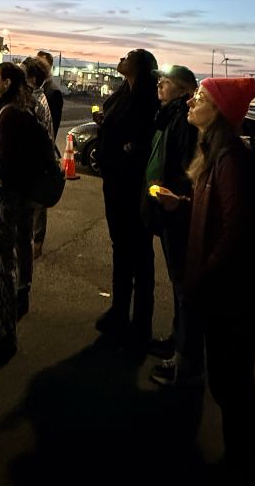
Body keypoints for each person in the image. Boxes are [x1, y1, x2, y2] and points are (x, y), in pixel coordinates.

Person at [174, 77, 255, 482]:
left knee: (233, 384)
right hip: (223, 291)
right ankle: (243, 458)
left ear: (217, 111)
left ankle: (244, 464)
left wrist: (203, 276)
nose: (190, 102)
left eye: (199, 98)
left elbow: (235, 228)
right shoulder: (214, 153)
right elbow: (220, 211)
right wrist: (183, 202)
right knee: (227, 379)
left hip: (232, 295)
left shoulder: (229, 158)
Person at [94, 48, 159, 358]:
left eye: (130, 55)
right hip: (114, 183)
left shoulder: (147, 100)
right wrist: (103, 121)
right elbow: (116, 127)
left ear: (141, 67)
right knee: (120, 248)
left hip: (132, 187)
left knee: (140, 255)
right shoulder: (123, 92)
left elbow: (144, 140)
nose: (123, 57)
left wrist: (129, 149)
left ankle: (140, 324)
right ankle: (118, 311)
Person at [141, 65, 202, 386]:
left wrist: (175, 198)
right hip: (166, 207)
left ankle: (185, 358)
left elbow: (184, 167)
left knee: (184, 285)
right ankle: (179, 341)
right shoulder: (168, 114)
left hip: (176, 211)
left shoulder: (183, 120)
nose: (159, 86)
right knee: (179, 283)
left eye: (165, 83)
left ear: (183, 90)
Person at [0, 61, 39, 354]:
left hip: (6, 198)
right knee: (13, 255)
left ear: (6, 83)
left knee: (1, 263)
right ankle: (9, 314)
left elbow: (4, 164)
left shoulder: (7, 114)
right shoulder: (25, 109)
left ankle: (4, 332)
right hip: (24, 195)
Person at [24, 56, 55, 259]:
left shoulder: (35, 102)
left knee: (34, 207)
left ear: (32, 79)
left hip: (33, 165)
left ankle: (35, 246)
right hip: (37, 163)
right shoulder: (37, 98)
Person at [37, 50, 64, 137]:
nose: (37, 68)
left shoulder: (54, 93)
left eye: (41, 65)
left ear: (49, 67)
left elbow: (52, 127)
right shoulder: (36, 87)